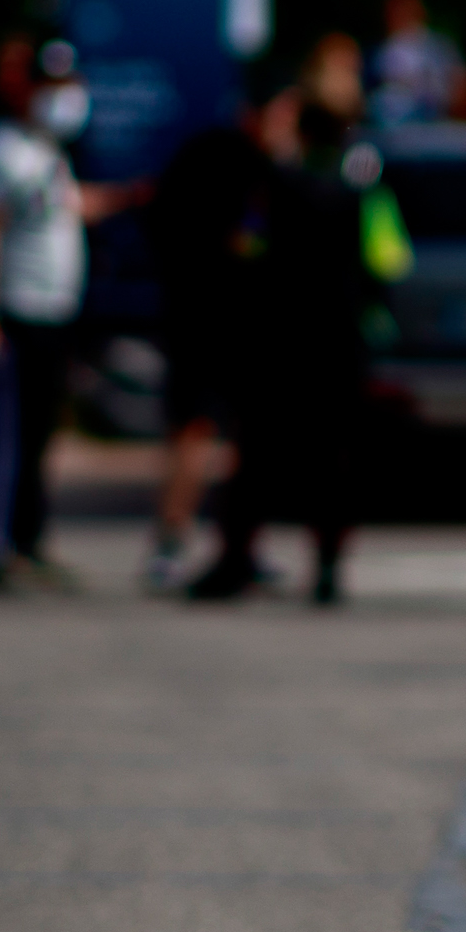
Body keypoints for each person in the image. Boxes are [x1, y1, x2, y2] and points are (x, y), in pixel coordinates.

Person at [186, 78, 375, 605]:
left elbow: (244, 248)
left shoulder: (275, 184)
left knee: (254, 459)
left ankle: (234, 561)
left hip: (278, 342)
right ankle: (328, 570)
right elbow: (378, 263)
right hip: (337, 342)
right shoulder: (359, 189)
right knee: (331, 462)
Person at [0, 37, 144, 590]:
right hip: (16, 308)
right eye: (54, 88)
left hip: (56, 311)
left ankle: (30, 540)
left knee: (42, 431)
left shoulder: (50, 153)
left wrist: (131, 197)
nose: (65, 99)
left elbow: (71, 207)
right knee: (8, 433)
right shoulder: (4, 149)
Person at [143, 68, 303, 591]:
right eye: (284, 114)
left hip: (213, 320)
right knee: (198, 433)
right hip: (215, 323)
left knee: (233, 438)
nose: (290, 126)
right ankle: (172, 545)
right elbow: (247, 247)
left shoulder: (212, 155)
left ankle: (236, 545)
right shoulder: (242, 166)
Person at [367, 0, 463, 125]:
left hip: (440, 118)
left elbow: (459, 82)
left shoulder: (440, 45)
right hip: (398, 124)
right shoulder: (386, 50)